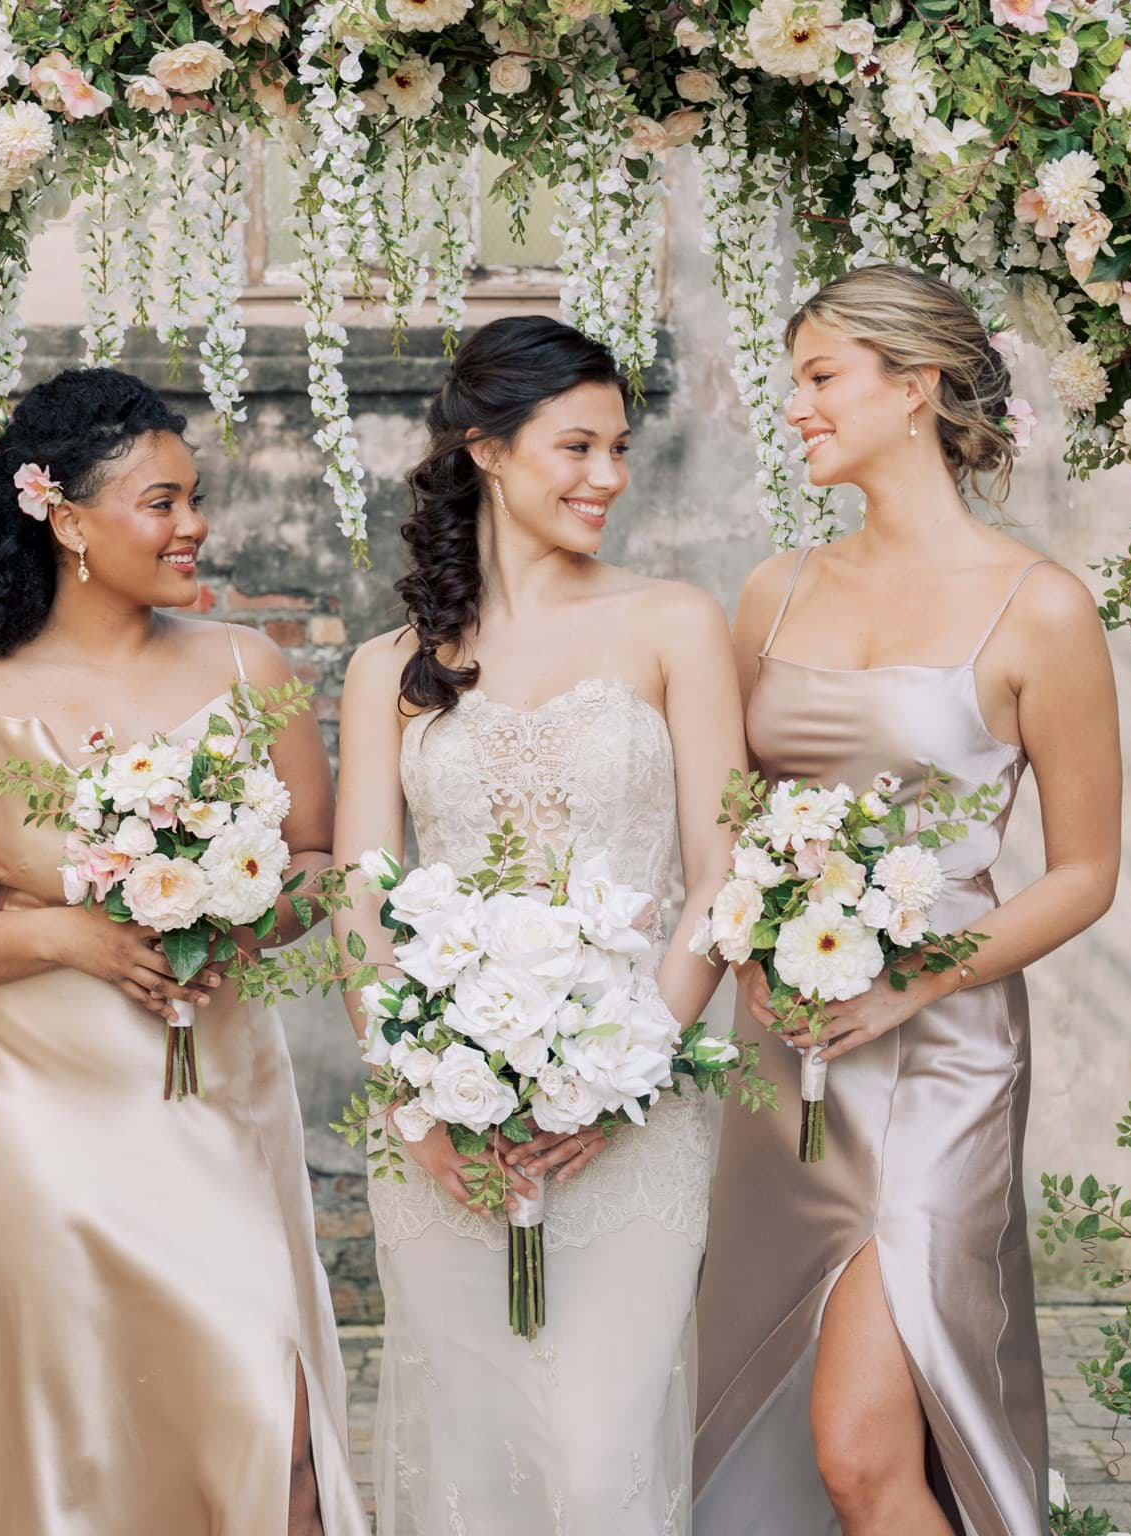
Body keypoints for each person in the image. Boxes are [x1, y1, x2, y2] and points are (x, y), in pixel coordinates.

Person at [0, 368, 364, 1536]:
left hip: (217, 1098)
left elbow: (317, 861)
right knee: (79, 1441)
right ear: (68, 518)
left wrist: (239, 912)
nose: (192, 526)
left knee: (267, 1422)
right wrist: (63, 932)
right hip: (43, 1123)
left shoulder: (248, 670)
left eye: (192, 499)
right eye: (160, 502)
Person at [694, 266, 1123, 1536]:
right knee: (776, 1420)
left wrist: (913, 980)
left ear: (914, 387)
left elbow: (1082, 874)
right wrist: (751, 950)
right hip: (785, 1059)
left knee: (863, 1445)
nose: (797, 409)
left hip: (942, 1056)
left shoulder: (1036, 608)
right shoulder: (774, 591)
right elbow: (728, 824)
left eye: (821, 378)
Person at [332, 315, 745, 1534]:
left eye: (617, 447)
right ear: (485, 452)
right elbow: (362, 895)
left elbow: (722, 874)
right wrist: (414, 1099)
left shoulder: (674, 623)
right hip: (441, 1130)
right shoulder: (387, 667)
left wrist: (617, 1078)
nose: (606, 477)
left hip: (634, 1109)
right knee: (474, 1457)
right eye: (575, 447)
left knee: (591, 1462)